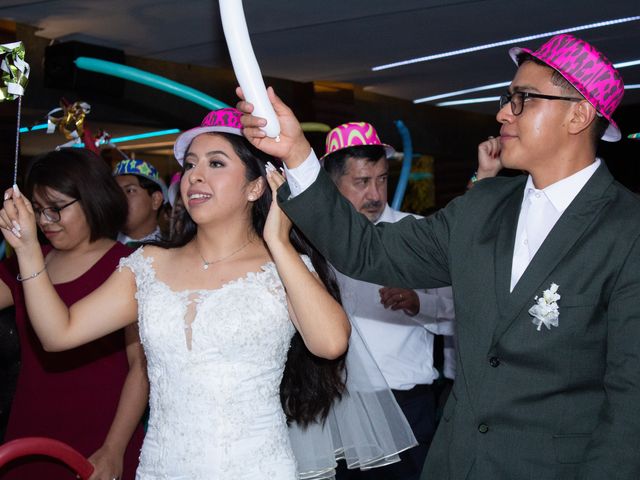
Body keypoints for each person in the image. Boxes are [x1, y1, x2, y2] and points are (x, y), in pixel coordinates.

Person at [238, 33, 640, 479]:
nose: (502, 112)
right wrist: (297, 153)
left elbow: (630, 404)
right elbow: (369, 250)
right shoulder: (482, 207)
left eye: (523, 98)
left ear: (578, 115)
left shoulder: (627, 230)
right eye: (507, 98)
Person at [0, 108, 352, 480]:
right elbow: (59, 334)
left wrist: (277, 242)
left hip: (255, 467)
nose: (195, 176)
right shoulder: (149, 265)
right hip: (161, 467)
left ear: (256, 186)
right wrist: (27, 250)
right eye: (190, 165)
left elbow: (329, 343)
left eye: (216, 163)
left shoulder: (283, 266)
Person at [319, 121, 455, 480]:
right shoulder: (314, 242)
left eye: (381, 179)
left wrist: (416, 303)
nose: (375, 194)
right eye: (362, 182)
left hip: (407, 403)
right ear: (333, 185)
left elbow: (457, 314)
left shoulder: (418, 234)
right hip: (341, 406)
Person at [0, 148, 146, 480]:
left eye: (56, 209)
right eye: (38, 211)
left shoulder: (128, 266)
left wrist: (114, 448)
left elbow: (141, 367)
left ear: (92, 198)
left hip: (98, 434)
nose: (44, 222)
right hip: (29, 425)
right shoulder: (33, 259)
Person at [113, 158, 168, 247]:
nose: (119, 199)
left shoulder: (172, 250)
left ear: (156, 200)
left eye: (130, 191)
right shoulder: (100, 248)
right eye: (115, 192)